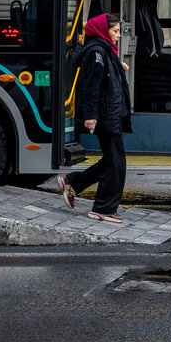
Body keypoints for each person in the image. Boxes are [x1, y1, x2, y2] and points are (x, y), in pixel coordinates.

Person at [57, 13, 133, 223]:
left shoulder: (104, 51)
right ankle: (103, 208)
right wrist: (91, 116)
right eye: (115, 31)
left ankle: (73, 183)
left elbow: (106, 77)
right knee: (116, 164)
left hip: (109, 115)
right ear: (103, 30)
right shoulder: (97, 52)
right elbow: (92, 86)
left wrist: (119, 67)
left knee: (112, 161)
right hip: (105, 117)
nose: (118, 35)